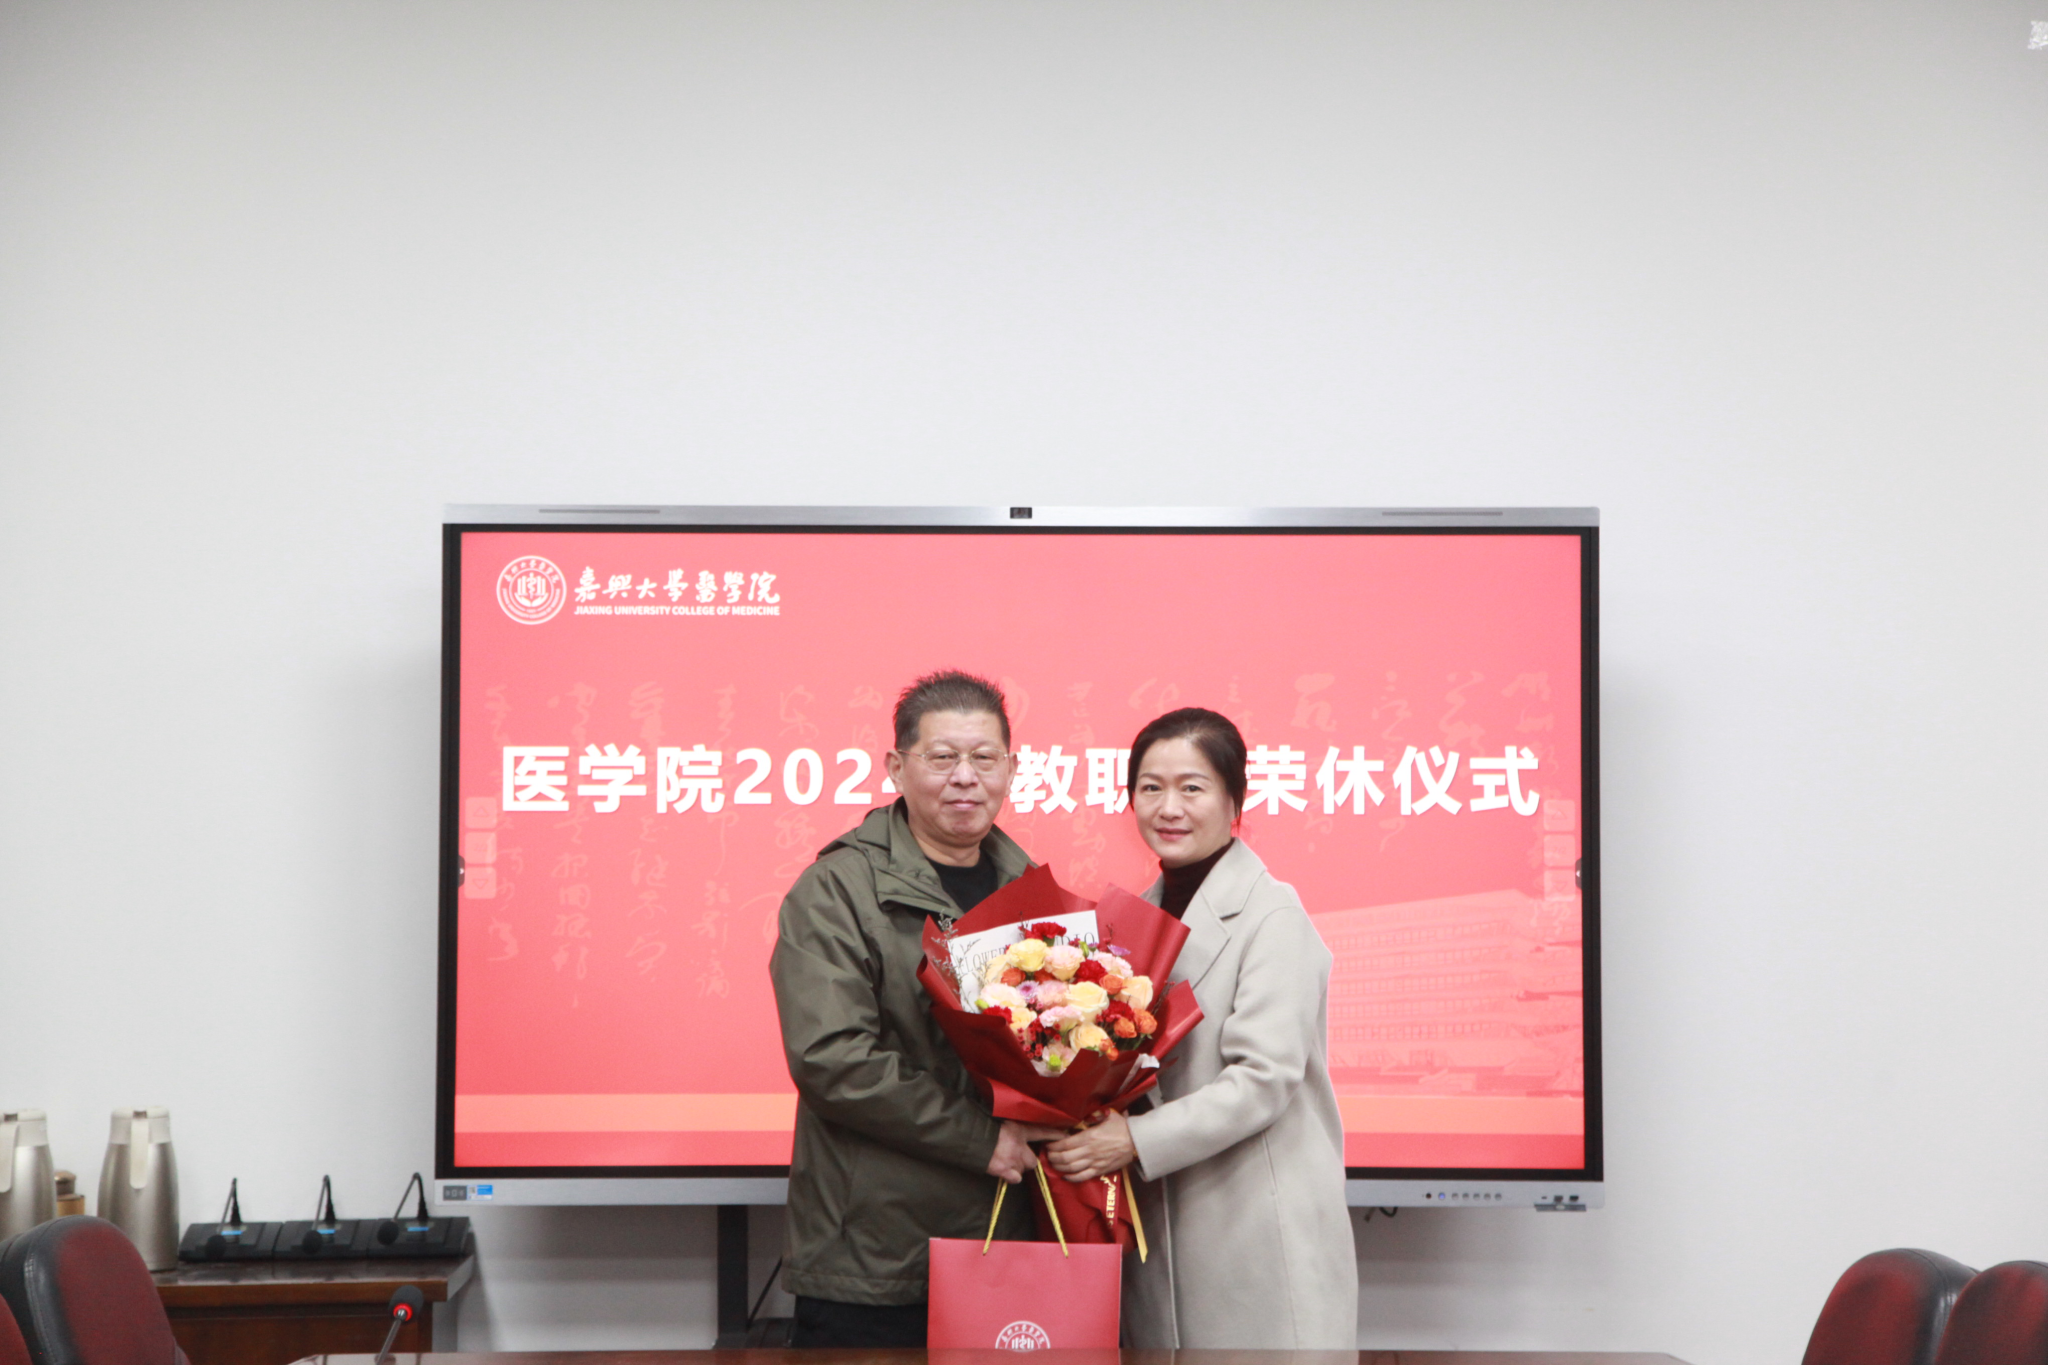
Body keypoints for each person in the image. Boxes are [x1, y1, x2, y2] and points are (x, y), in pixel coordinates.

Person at [1045, 707, 1357, 1348]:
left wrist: (1133, 1140)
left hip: (1257, 1234)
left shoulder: (1273, 914)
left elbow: (1264, 1078)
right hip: (1163, 1230)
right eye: (1150, 787)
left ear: (1235, 800)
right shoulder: (1132, 921)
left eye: (1192, 787)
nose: (1169, 807)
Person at [770, 669, 1062, 1347]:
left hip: (1006, 1238)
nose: (965, 777)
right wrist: (982, 1140)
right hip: (876, 1255)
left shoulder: (1032, 890)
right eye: (942, 757)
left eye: (984, 757)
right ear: (896, 767)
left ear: (1012, 768)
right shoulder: (837, 889)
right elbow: (831, 1059)